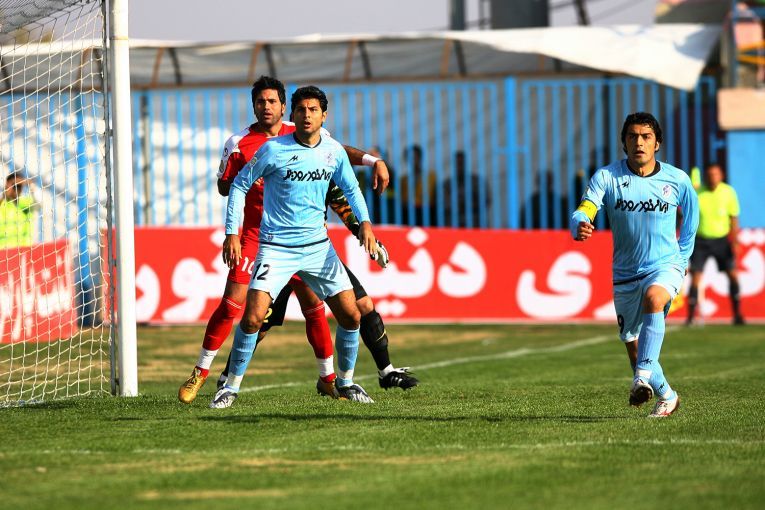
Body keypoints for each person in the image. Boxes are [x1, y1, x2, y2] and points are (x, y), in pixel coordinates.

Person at [178, 76, 409, 405]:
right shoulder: (261, 147)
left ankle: (340, 382)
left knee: (344, 313)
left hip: (317, 248)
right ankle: (221, 382)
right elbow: (234, 185)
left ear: (320, 115)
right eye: (302, 110)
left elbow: (348, 186)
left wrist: (366, 222)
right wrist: (232, 232)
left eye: (312, 110)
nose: (306, 114)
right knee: (248, 315)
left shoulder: (328, 147)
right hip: (270, 244)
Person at [571, 112, 698, 418]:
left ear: (657, 144)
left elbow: (691, 222)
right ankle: (667, 395)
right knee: (633, 344)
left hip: (665, 265)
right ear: (624, 143)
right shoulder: (607, 177)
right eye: (632, 136)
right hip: (625, 273)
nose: (639, 142)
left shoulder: (677, 180)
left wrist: (681, 260)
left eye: (646, 137)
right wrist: (580, 224)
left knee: (654, 298)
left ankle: (640, 378)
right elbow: (584, 209)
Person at [686, 163, 745, 325]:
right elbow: (685, 213)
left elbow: (733, 218)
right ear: (705, 176)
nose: (713, 177)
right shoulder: (698, 192)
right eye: (710, 175)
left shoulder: (728, 192)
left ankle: (737, 314)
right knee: (696, 277)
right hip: (701, 240)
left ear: (721, 176)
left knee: (733, 274)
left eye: (716, 174)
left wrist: (735, 241)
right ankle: (690, 317)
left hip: (722, 240)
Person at [442, 151, 489, 227]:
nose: (460, 166)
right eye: (458, 163)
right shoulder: (447, 184)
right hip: (454, 225)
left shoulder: (477, 181)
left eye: (461, 163)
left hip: (475, 223)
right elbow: (446, 205)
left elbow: (485, 201)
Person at [399, 144, 437, 226]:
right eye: (410, 158)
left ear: (420, 158)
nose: (413, 160)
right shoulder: (403, 180)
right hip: (408, 214)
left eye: (415, 157)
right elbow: (402, 200)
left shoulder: (431, 177)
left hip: (426, 214)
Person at [0, 172, 39, 249]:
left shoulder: (26, 203)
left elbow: (40, 202)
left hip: (24, 250)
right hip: (3, 250)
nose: (16, 189)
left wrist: (30, 185)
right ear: (6, 185)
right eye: (14, 186)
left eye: (19, 186)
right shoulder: (2, 203)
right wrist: (5, 194)